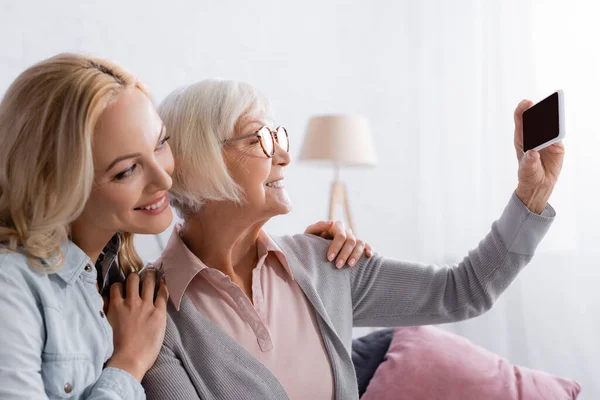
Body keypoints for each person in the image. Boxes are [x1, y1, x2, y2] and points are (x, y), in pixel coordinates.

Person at [142, 79, 564, 400]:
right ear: (202, 159)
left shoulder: (324, 262)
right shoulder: (148, 311)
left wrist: (532, 197)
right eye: (262, 139)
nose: (285, 157)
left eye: (280, 137)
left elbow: (462, 291)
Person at [0, 55, 366, 399]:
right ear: (56, 185)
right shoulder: (12, 287)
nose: (163, 178)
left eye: (160, 144)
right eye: (127, 170)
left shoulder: (122, 281)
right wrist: (128, 363)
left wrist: (329, 258)